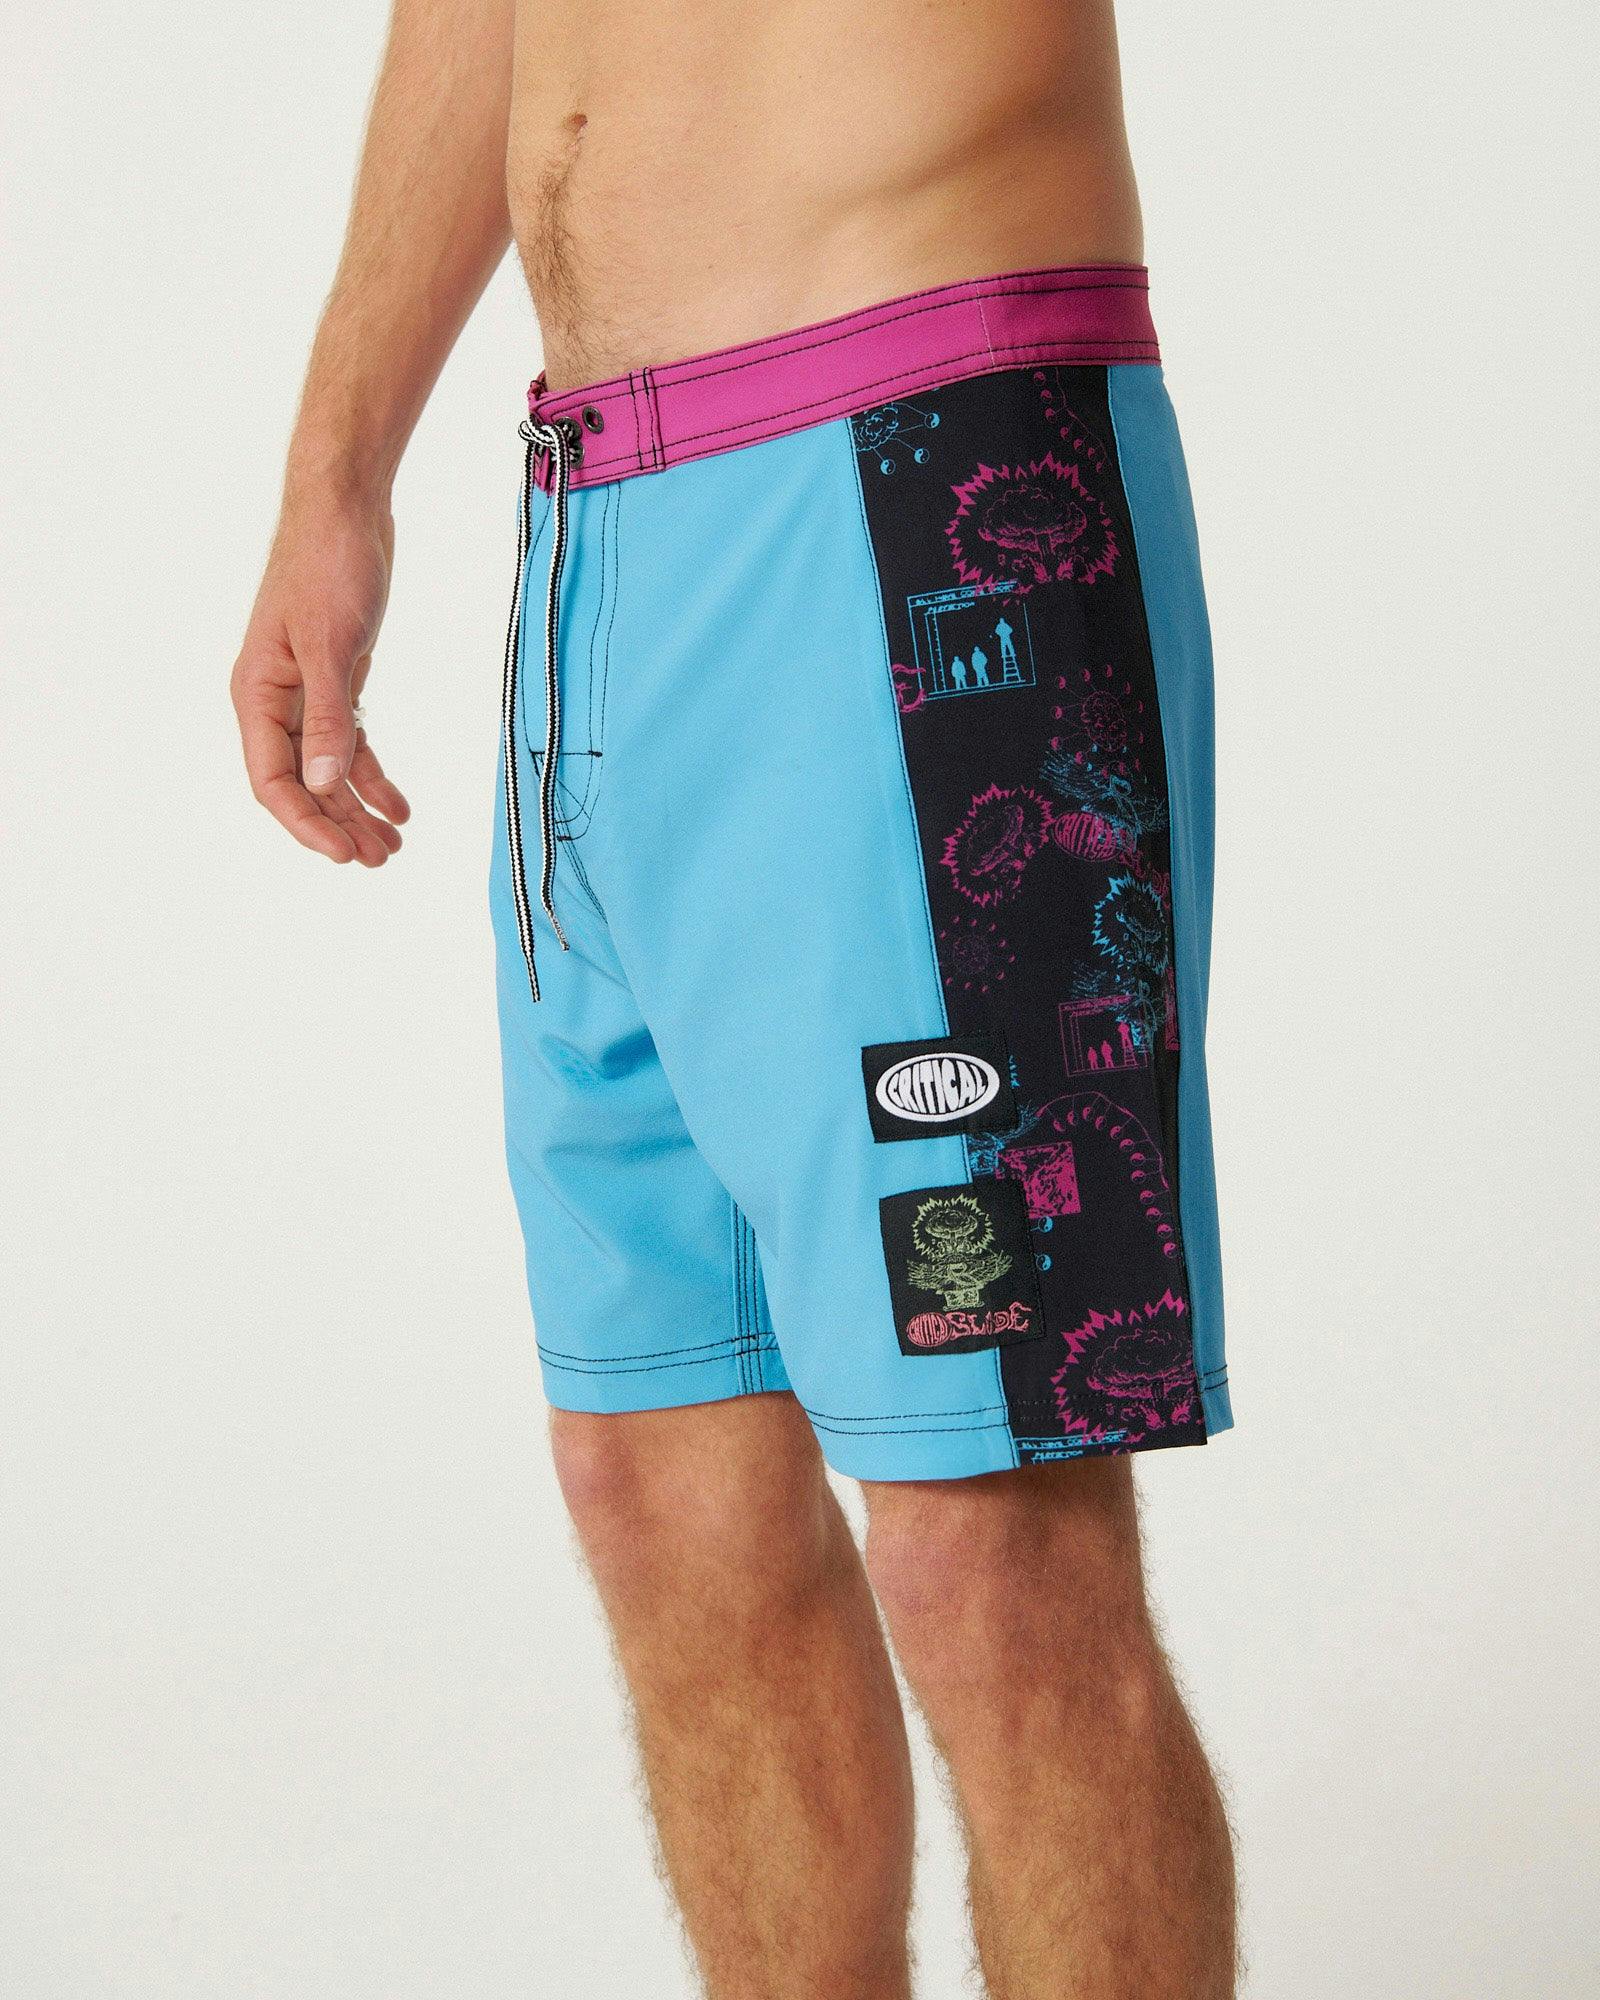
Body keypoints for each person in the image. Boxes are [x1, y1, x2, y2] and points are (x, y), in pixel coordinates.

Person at [230, 1, 1237, 1992]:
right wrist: (336, 468)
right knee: (656, 1477)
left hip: (919, 468)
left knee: (984, 1538)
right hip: (596, 533)